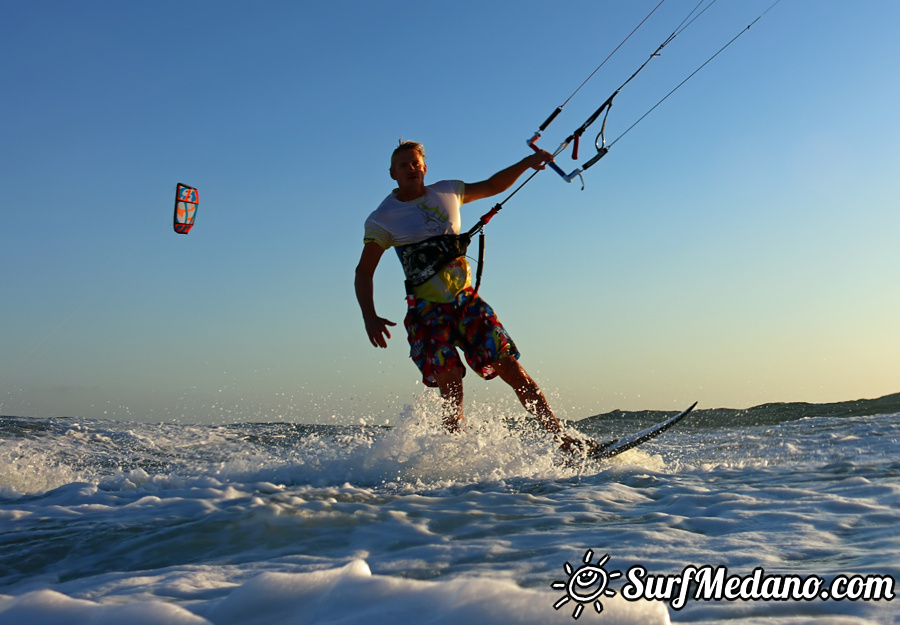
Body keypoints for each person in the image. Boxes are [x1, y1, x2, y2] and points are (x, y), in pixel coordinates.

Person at [355, 141, 594, 455]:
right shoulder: (383, 218)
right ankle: (456, 454)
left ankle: (562, 440)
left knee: (509, 366)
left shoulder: (448, 192)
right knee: (451, 381)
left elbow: (494, 185)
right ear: (392, 174)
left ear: (424, 167)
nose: (411, 169)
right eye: (404, 165)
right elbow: (364, 271)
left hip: (466, 303)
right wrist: (369, 316)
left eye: (415, 163)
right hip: (427, 311)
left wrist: (527, 161)